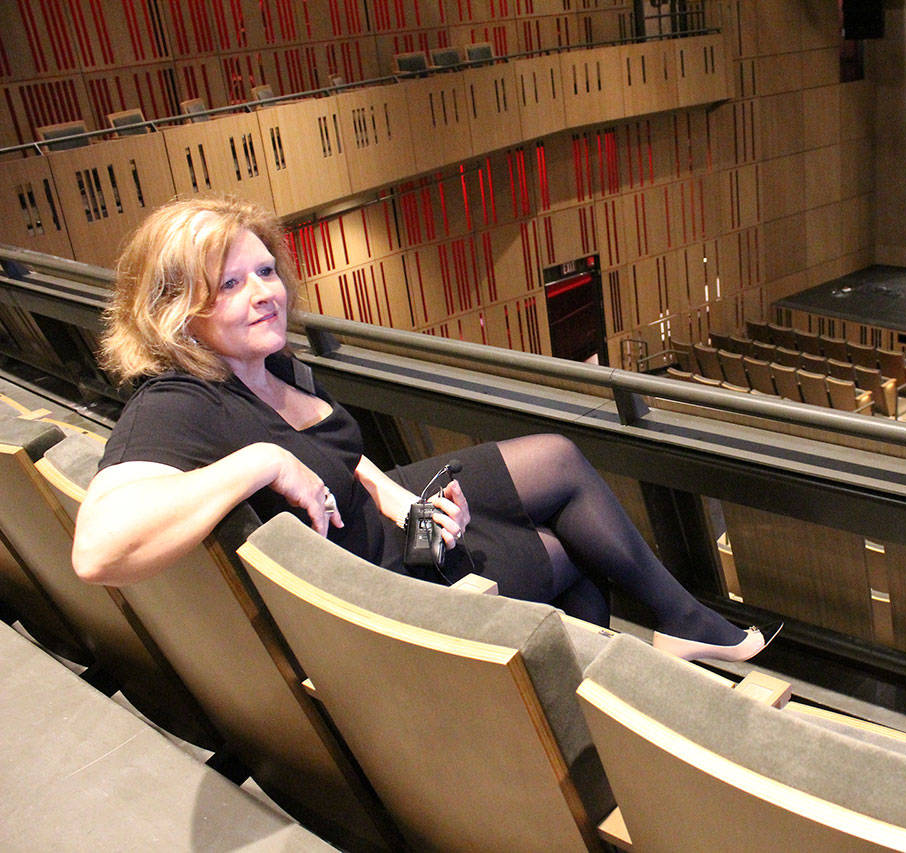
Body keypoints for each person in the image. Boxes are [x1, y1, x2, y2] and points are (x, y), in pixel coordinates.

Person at [71, 194, 779, 663]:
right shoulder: (178, 401)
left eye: (264, 271)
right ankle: (607, 688)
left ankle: (676, 626)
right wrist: (261, 461)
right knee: (568, 560)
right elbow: (98, 548)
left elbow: (328, 452)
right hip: (378, 575)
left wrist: (388, 492)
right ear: (173, 308)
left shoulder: (268, 357)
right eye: (229, 285)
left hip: (381, 517)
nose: (264, 294)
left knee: (558, 458)